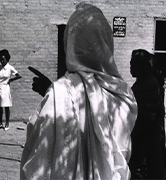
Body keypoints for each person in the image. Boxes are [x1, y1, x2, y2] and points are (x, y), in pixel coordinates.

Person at [20, 2, 137, 180]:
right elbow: (121, 153)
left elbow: (37, 159)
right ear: (106, 43)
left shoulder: (57, 95)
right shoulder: (123, 96)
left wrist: (53, 93)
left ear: (70, 44)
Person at [129, 49, 166, 179]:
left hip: (146, 150)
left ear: (141, 66)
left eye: (133, 64)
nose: (130, 67)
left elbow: (144, 121)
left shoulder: (148, 87)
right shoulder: (144, 84)